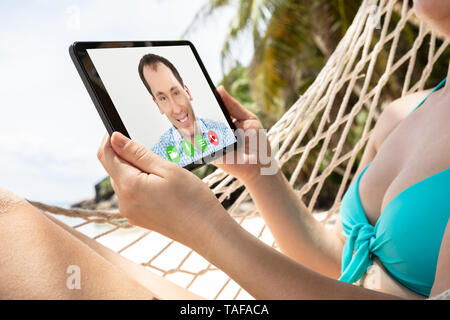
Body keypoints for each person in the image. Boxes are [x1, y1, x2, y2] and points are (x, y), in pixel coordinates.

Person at [0, 0, 449, 299]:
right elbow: (340, 261)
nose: (175, 105)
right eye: (162, 97)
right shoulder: (401, 114)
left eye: (177, 91)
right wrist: (261, 174)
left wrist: (205, 227)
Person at [138, 53, 236, 166]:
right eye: (163, 98)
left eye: (176, 93)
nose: (177, 109)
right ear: (158, 105)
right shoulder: (156, 158)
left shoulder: (224, 132)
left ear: (187, 92)